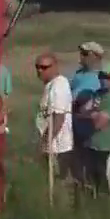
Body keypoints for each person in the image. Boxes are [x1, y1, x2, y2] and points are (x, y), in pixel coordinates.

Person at [82, 62, 110, 196]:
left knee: (105, 185)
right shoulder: (98, 94)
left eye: (106, 76)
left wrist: (91, 114)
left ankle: (108, 211)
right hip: (92, 144)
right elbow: (82, 111)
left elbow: (99, 124)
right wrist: (93, 114)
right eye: (100, 76)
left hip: (107, 147)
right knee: (91, 183)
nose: (102, 79)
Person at [34, 52, 76, 182]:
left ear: (55, 67)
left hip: (57, 147)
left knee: (56, 182)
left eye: (44, 67)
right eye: (37, 67)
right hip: (52, 145)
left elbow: (58, 118)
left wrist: (45, 143)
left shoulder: (59, 86)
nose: (40, 71)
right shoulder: (51, 85)